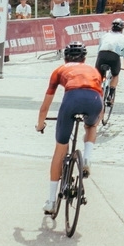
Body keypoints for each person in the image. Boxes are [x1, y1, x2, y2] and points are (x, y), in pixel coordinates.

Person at [36, 43, 104, 214]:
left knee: (60, 150)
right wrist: (95, 120)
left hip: (72, 99)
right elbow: (100, 104)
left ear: (65, 58)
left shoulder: (59, 70)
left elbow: (45, 106)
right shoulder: (94, 71)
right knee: (91, 126)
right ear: (84, 59)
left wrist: (40, 124)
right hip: (94, 100)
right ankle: (87, 158)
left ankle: (51, 202)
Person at [95, 19, 124, 106]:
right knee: (115, 75)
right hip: (114, 56)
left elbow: (99, 51)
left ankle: (96, 92)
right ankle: (111, 95)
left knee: (98, 75)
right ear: (122, 29)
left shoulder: (105, 36)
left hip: (102, 55)